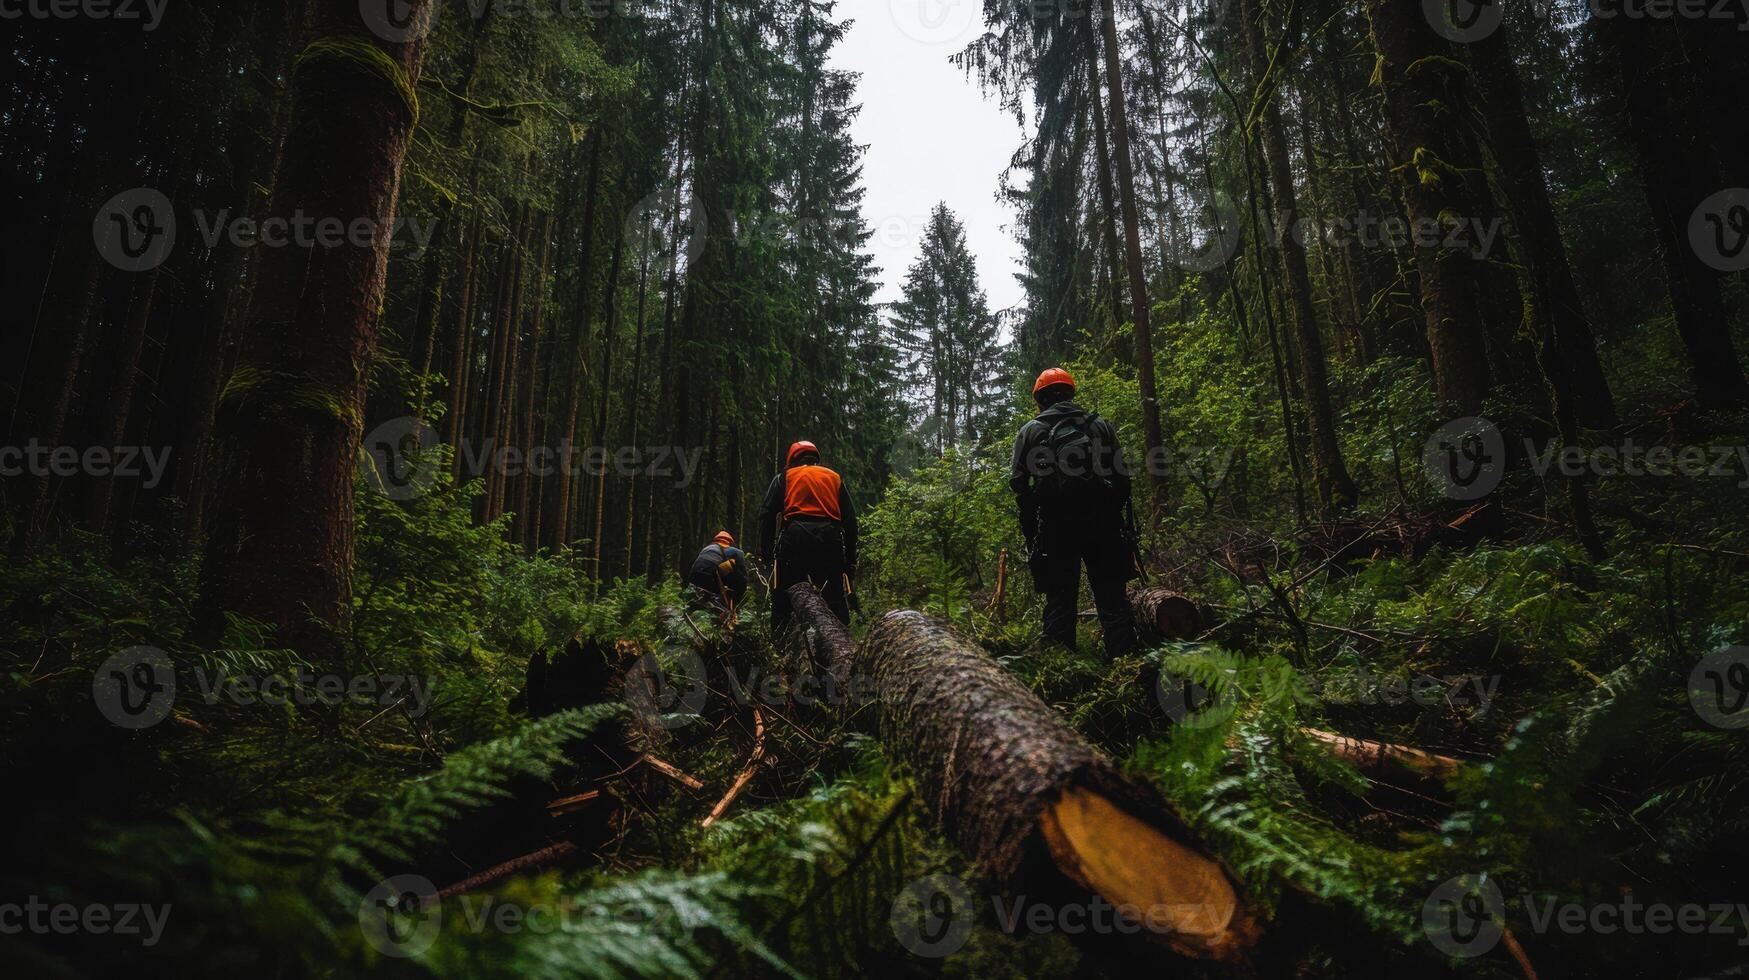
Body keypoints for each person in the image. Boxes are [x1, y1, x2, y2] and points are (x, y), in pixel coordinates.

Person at [1009, 367, 1138, 656]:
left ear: (1040, 399)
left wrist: (1036, 513)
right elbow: (1122, 477)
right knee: (1112, 597)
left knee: (1059, 599)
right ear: (1070, 393)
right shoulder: (1099, 425)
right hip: (1102, 523)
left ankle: (1062, 669)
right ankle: (1127, 666)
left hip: (1055, 527)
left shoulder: (1030, 431)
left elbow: (1017, 482)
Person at [759, 440, 858, 628]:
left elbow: (767, 516)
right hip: (830, 539)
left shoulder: (784, 477)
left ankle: (781, 643)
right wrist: (850, 562)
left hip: (794, 538)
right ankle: (844, 644)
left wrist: (766, 554)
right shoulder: (834, 477)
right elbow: (851, 522)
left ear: (792, 460)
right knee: (834, 596)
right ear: (816, 459)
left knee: (785, 595)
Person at [687, 531, 748, 617]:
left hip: (693, 580)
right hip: (710, 581)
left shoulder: (706, 549)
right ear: (730, 542)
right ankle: (729, 609)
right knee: (739, 578)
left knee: (725, 568)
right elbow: (742, 577)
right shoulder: (734, 551)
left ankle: (706, 600)